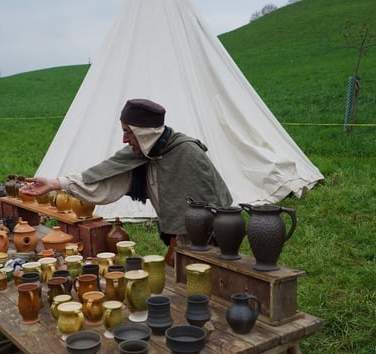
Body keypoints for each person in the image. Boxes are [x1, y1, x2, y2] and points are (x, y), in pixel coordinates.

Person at [20, 98, 232, 263]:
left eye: (127, 132)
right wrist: (55, 184)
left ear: (145, 133)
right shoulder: (141, 154)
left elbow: (212, 206)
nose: (124, 139)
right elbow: (101, 180)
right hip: (179, 243)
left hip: (208, 243)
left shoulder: (187, 153)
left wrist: (186, 243)